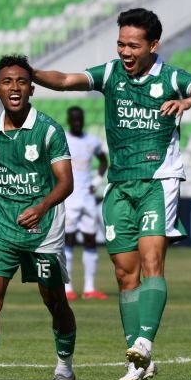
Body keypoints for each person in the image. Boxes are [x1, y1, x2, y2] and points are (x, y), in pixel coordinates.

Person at [33, 8, 191, 380]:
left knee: (152, 262)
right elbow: (67, 80)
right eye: (121, 43)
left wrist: (186, 102)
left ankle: (145, 343)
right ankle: (139, 362)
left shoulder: (171, 78)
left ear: (153, 45)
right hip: (119, 185)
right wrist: (30, 73)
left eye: (133, 45)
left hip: (158, 180)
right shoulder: (111, 74)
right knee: (124, 274)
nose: (124, 51)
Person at [0, 54, 76, 380]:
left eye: (22, 81)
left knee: (54, 301)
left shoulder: (49, 130)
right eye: (7, 82)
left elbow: (65, 183)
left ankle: (64, 371)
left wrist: (41, 207)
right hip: (0, 228)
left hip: (44, 230)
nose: (15, 88)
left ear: (32, 89)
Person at [63, 106, 109, 301]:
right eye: (74, 119)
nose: (77, 122)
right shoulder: (63, 140)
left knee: (90, 240)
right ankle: (67, 288)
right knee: (68, 240)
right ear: (68, 120)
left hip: (87, 198)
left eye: (79, 119)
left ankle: (90, 288)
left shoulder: (92, 141)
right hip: (69, 198)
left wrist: (96, 183)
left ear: (83, 119)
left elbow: (104, 161)